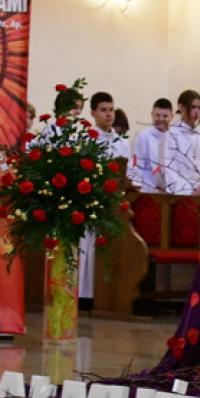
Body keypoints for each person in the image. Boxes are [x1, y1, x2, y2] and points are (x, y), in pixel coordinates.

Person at [79, 91, 130, 307]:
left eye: (111, 110)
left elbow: (129, 172)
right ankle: (84, 296)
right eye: (103, 110)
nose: (108, 115)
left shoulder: (122, 143)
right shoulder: (85, 139)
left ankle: (108, 296)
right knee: (87, 246)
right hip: (90, 202)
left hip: (114, 204)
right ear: (93, 113)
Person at [167, 89, 200, 195]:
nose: (196, 112)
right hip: (180, 195)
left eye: (199, 108)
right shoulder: (170, 134)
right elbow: (168, 170)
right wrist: (190, 190)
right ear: (181, 107)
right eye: (193, 107)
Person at [130, 98, 174, 192]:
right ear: (152, 114)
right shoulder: (143, 136)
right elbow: (136, 167)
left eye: (165, 116)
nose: (161, 119)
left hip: (171, 190)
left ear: (172, 117)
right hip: (149, 190)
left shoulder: (175, 138)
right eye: (157, 115)